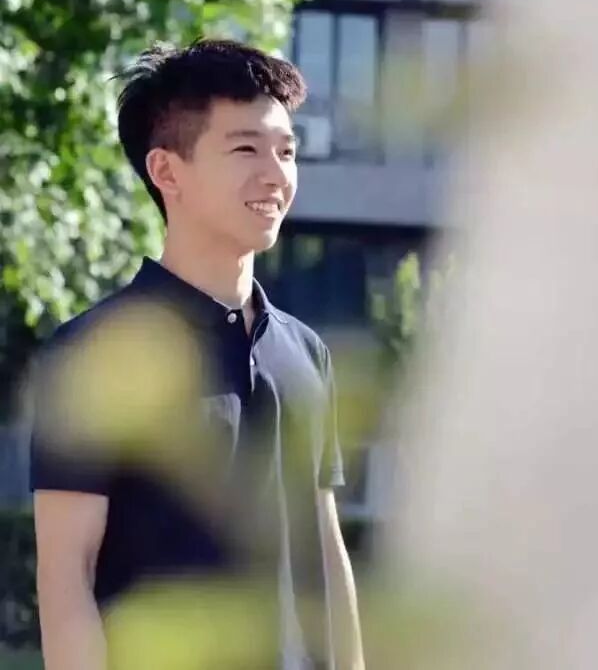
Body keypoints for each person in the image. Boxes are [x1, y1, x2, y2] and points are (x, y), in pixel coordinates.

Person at [30, 39, 365, 670]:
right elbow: (67, 573)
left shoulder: (306, 352)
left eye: (286, 151)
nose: (276, 175)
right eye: (245, 149)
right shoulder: (91, 353)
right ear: (166, 171)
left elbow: (325, 549)